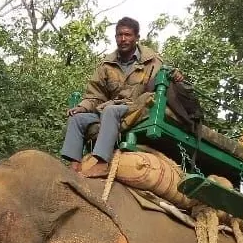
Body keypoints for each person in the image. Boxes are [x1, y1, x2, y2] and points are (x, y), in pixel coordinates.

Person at [61, 16, 183, 177]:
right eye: (119, 35)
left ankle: (102, 162)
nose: (123, 39)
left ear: (137, 38)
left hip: (138, 106)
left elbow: (167, 80)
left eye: (127, 35)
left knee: (111, 110)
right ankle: (74, 165)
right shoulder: (106, 65)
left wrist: (176, 76)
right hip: (110, 109)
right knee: (77, 118)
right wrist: (82, 107)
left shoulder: (152, 61)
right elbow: (95, 94)